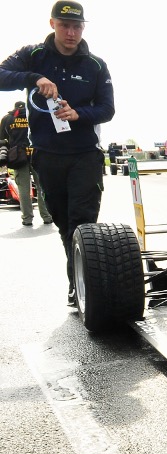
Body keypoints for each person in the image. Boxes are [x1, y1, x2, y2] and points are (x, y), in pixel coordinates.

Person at [0, 1, 115, 306]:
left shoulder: (96, 65)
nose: (71, 32)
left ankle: (86, 287)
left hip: (84, 154)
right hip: (47, 156)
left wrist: (79, 114)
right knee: (65, 224)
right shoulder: (33, 55)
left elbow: (107, 109)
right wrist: (33, 78)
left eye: (77, 26)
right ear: (52, 24)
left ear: (83, 28)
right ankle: (76, 279)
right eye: (65, 26)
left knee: (84, 222)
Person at [0, 100, 53, 226]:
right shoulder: (34, 115)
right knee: (42, 187)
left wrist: (4, 158)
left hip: (18, 156)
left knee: (23, 189)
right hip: (37, 154)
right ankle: (47, 216)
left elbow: (2, 141)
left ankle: (27, 219)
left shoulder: (7, 119)